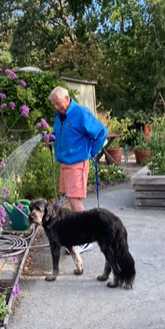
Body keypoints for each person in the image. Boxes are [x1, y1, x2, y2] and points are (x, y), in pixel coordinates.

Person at [48, 86, 108, 254]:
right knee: (70, 199)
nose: (56, 107)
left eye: (58, 103)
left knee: (74, 200)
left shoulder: (81, 113)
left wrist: (91, 152)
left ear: (67, 98)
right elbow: (60, 133)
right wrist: (51, 137)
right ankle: (78, 235)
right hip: (65, 163)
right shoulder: (59, 116)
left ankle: (86, 239)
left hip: (77, 163)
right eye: (53, 105)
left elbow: (102, 132)